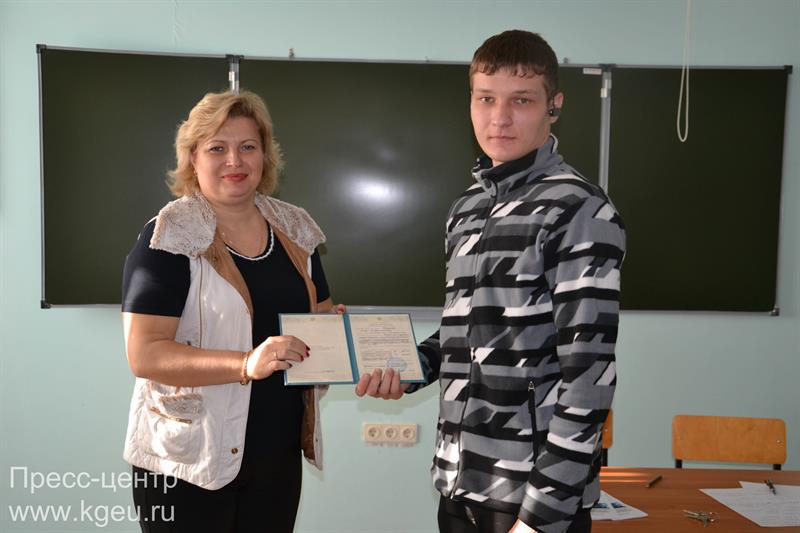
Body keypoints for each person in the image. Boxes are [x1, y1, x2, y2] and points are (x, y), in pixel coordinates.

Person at [356, 30, 626, 533]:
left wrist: (543, 516)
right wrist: (406, 369)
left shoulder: (579, 209)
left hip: (530, 500)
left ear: (554, 106)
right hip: (458, 483)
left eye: (521, 100)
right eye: (485, 99)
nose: (499, 117)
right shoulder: (468, 209)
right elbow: (464, 334)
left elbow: (590, 376)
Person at [121, 90, 339, 532]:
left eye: (248, 147)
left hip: (275, 455)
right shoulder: (168, 235)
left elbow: (321, 318)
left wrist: (340, 341)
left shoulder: (296, 228)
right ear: (193, 158)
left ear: (265, 156)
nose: (234, 161)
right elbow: (145, 354)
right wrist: (245, 363)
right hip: (187, 459)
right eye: (217, 148)